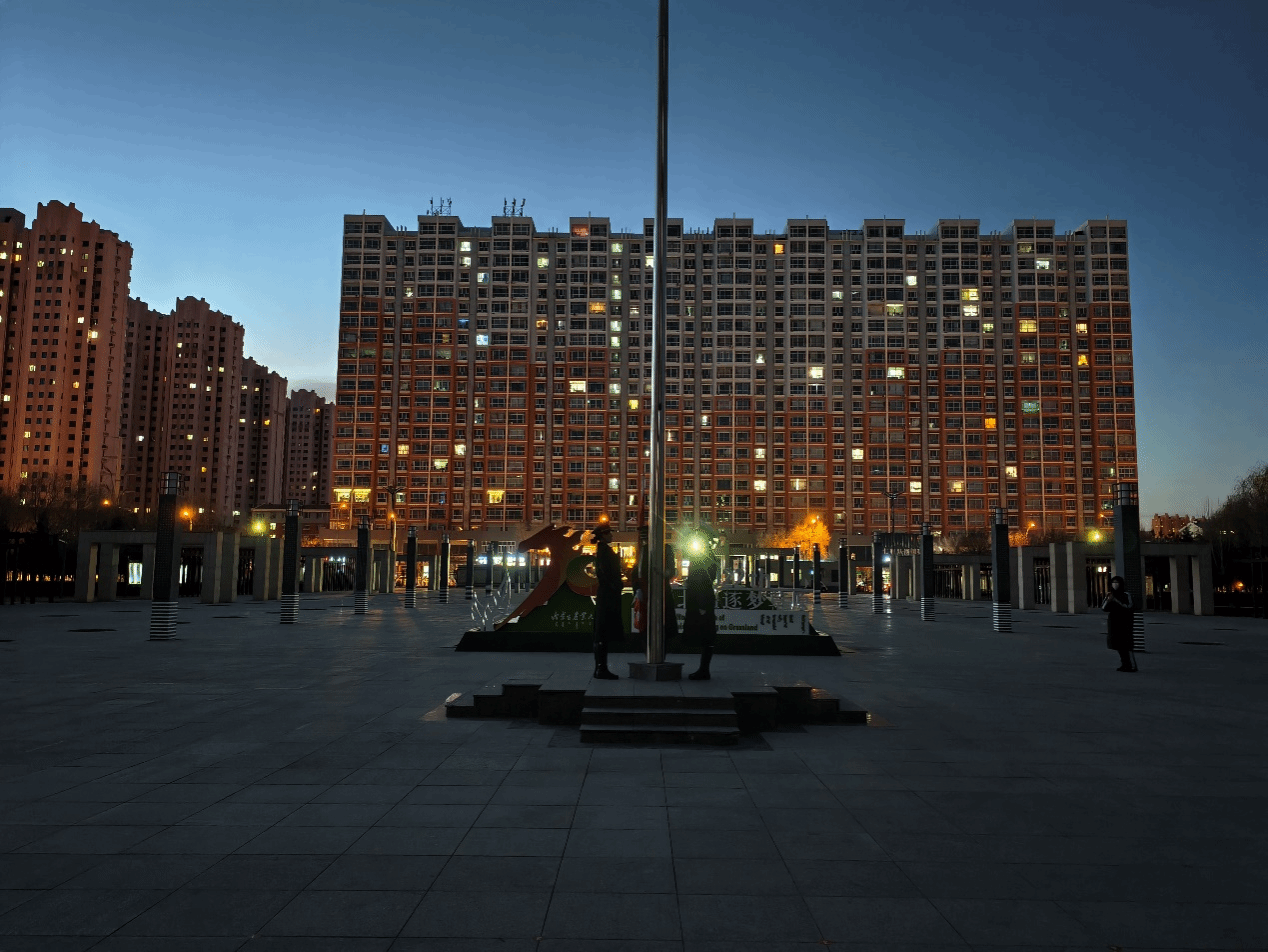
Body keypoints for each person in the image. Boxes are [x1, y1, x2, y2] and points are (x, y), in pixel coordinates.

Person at [591, 520, 623, 679]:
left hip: (606, 593)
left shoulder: (603, 550)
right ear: (603, 536)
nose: (611, 535)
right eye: (609, 533)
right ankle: (601, 668)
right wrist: (616, 586)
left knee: (602, 631)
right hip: (608, 595)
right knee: (603, 631)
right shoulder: (605, 551)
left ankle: (600, 667)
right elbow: (605, 574)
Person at [683, 548, 719, 681]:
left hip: (701, 606)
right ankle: (704, 669)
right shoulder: (707, 560)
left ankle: (704, 670)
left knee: (706, 637)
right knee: (707, 637)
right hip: (703, 604)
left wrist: (702, 606)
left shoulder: (701, 562)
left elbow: (701, 583)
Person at [1102, 575, 1137, 672]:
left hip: (1124, 622)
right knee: (1117, 644)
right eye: (1113, 583)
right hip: (1114, 622)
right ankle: (1124, 663)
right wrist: (1108, 600)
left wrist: (1116, 601)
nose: (1115, 585)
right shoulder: (1110, 594)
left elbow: (1129, 606)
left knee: (1126, 644)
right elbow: (1104, 608)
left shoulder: (1126, 595)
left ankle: (1131, 665)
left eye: (1117, 582)